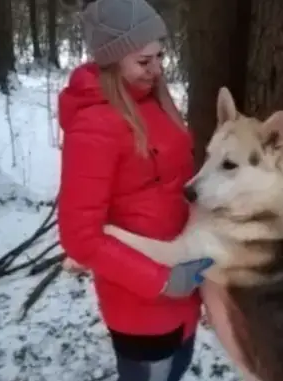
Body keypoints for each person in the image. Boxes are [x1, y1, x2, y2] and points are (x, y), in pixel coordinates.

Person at [56, 0, 214, 380]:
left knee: (176, 370)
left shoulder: (156, 102)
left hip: (184, 289)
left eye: (160, 57)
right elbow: (80, 238)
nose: (157, 70)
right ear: (112, 60)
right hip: (141, 306)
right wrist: (160, 281)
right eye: (144, 62)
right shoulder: (94, 127)